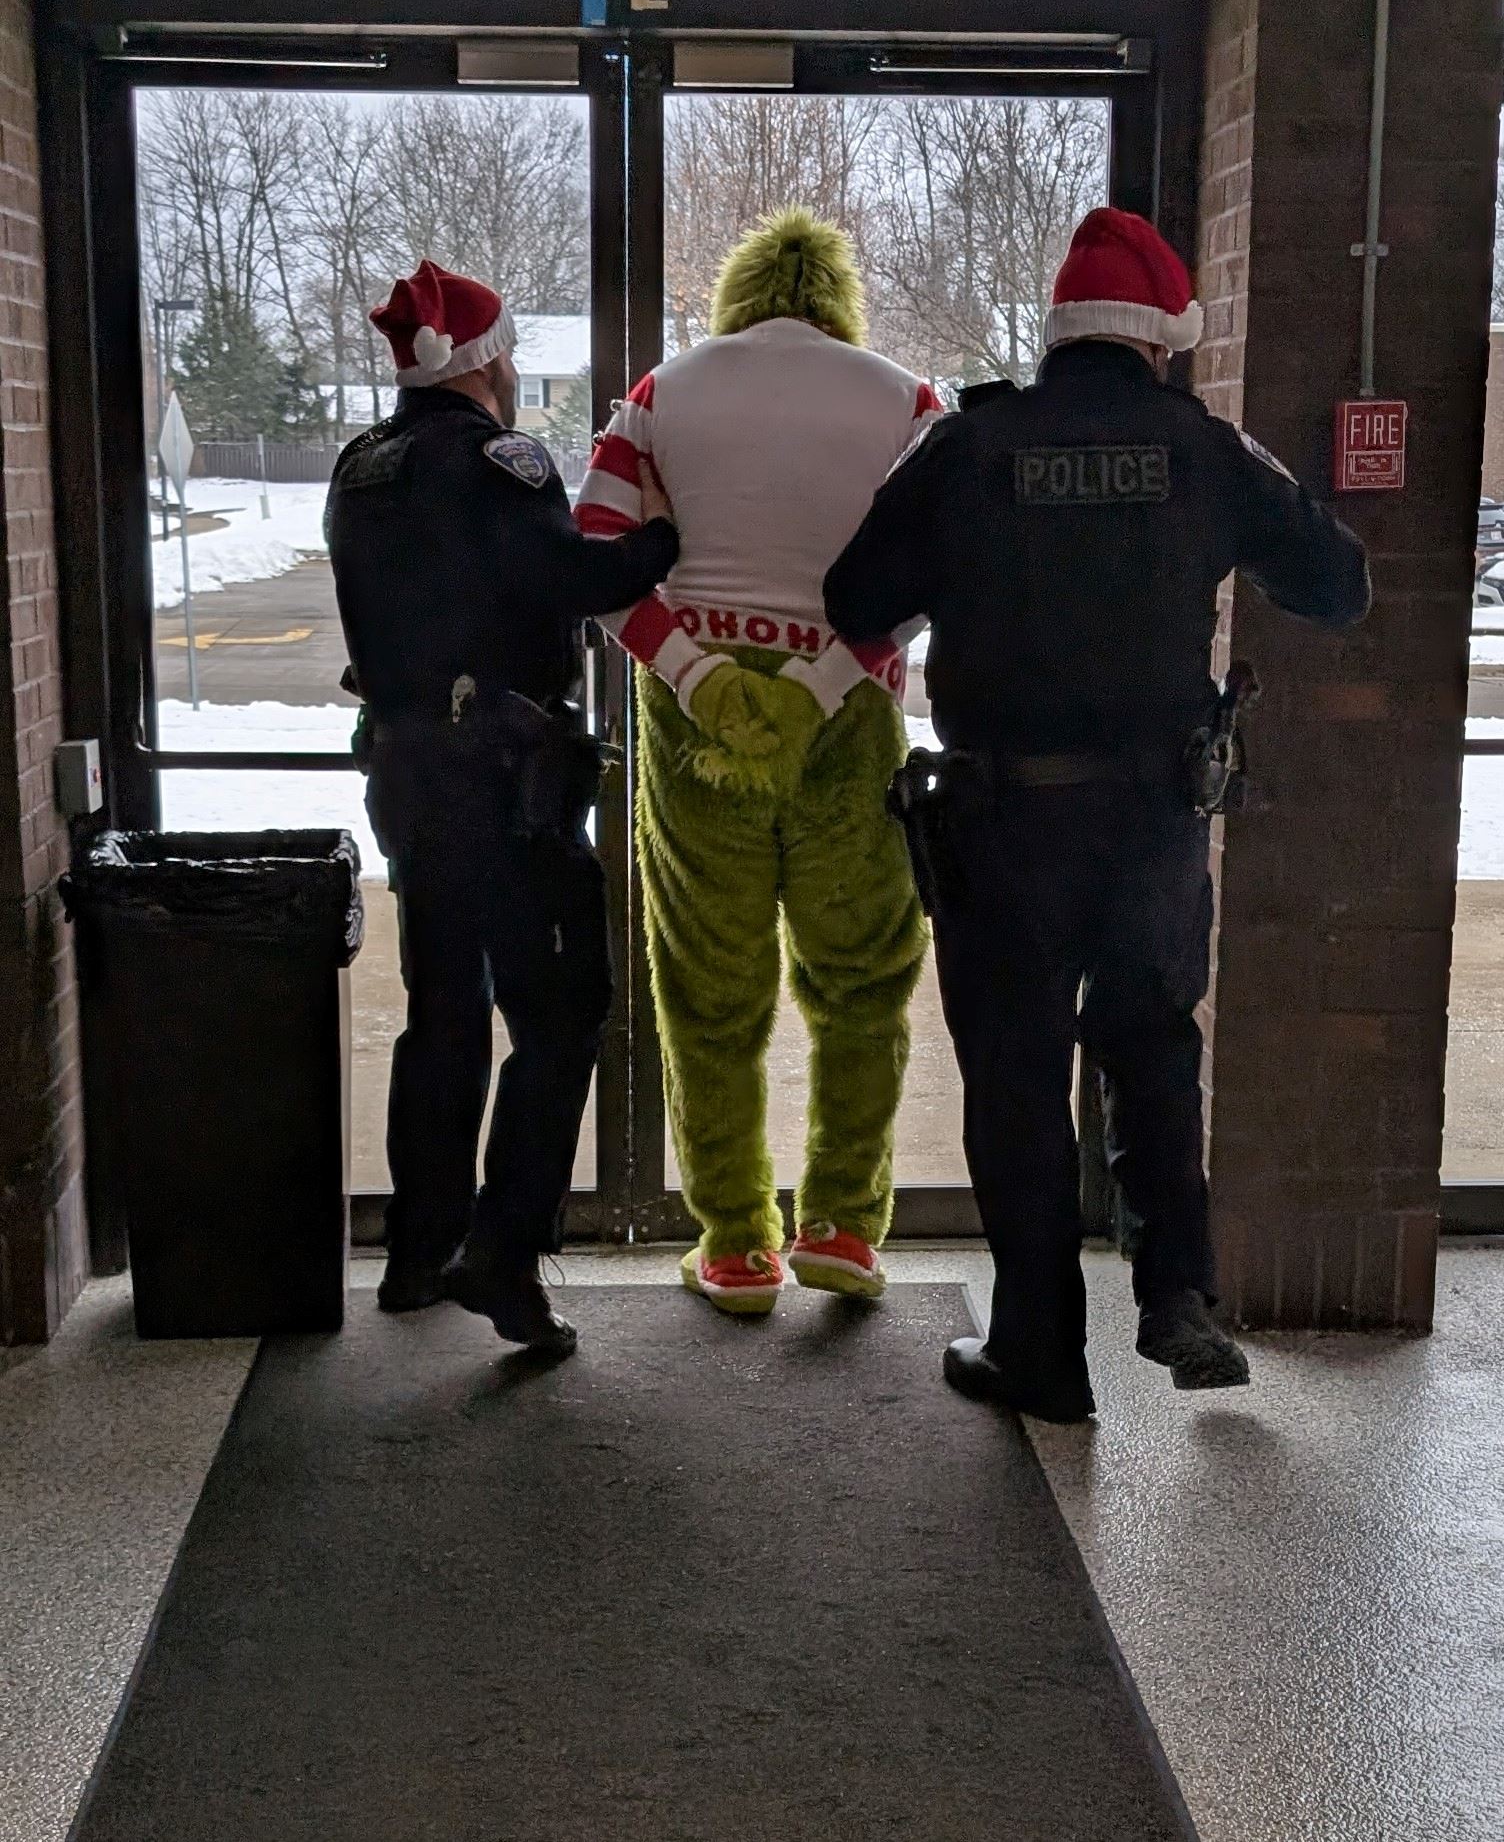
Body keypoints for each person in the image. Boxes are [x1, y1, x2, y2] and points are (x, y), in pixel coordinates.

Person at [825, 209, 1370, 1421]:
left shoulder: (969, 447)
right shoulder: (1203, 446)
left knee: (1016, 1084)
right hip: (1152, 826)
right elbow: (1339, 586)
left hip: (1001, 829)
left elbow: (853, 600)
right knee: (1152, 1050)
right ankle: (1176, 1294)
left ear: (1057, 333)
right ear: (1160, 343)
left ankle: (1040, 1355)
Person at [575, 208, 935, 1316]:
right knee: (861, 980)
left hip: (694, 727)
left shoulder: (660, 392)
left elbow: (594, 558)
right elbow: (936, 569)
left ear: (737, 296)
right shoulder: (908, 400)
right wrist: (817, 683)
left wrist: (701, 677)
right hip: (847, 713)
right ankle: (841, 1225)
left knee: (708, 989)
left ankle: (734, 1241)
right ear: (836, 300)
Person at [326, 259, 677, 1356]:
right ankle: (505, 1253)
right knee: (560, 1015)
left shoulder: (360, 465)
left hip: (408, 773)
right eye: (508, 355)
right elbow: (574, 577)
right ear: (484, 360)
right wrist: (664, 534)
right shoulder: (499, 460)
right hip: (504, 785)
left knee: (441, 1008)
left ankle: (417, 1251)